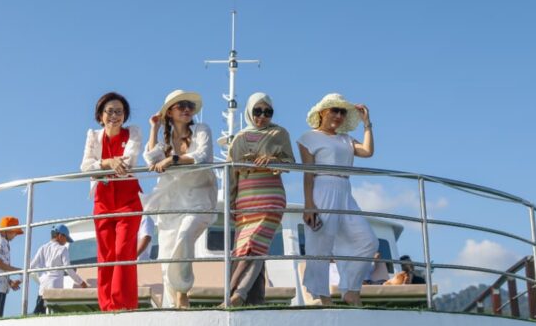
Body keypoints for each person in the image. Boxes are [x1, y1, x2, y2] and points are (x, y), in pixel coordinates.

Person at [297, 93, 379, 306]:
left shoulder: (346, 139)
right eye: (335, 110)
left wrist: (367, 123)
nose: (339, 115)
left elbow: (367, 151)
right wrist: (309, 205)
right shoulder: (308, 138)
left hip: (345, 189)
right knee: (320, 245)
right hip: (322, 187)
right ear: (322, 112)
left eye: (343, 112)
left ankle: (351, 290)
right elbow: (308, 173)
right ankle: (322, 297)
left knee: (368, 241)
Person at [143, 90, 217, 308]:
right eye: (181, 106)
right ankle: (173, 302)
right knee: (166, 254)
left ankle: (183, 292)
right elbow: (151, 159)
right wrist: (154, 127)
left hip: (199, 196)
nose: (187, 109)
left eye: (190, 106)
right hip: (171, 200)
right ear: (169, 112)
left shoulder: (202, 129)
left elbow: (203, 156)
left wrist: (172, 160)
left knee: (184, 235)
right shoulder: (165, 138)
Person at [226, 92, 295, 306]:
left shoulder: (279, 133)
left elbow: (290, 162)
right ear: (249, 111)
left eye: (267, 112)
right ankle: (247, 298)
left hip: (271, 197)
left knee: (256, 244)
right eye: (257, 111)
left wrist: (273, 159)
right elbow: (231, 174)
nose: (262, 116)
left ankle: (238, 294)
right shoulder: (239, 138)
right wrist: (230, 202)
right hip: (245, 200)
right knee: (242, 248)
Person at [81, 91, 143, 311]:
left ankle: (122, 304)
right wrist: (107, 163)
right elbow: (85, 166)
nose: (114, 116)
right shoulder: (93, 136)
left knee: (123, 252)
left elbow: (129, 160)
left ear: (125, 115)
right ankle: (106, 305)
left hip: (128, 200)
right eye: (110, 111)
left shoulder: (132, 133)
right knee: (105, 254)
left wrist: (104, 164)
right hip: (103, 202)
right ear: (100, 115)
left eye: (119, 111)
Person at [29, 224, 88, 315]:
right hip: (55, 288)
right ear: (60, 235)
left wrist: (21, 280)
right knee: (54, 314)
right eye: (66, 238)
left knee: (38, 315)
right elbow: (68, 269)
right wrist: (81, 282)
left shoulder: (42, 248)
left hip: (43, 288)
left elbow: (31, 266)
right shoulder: (62, 249)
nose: (66, 242)